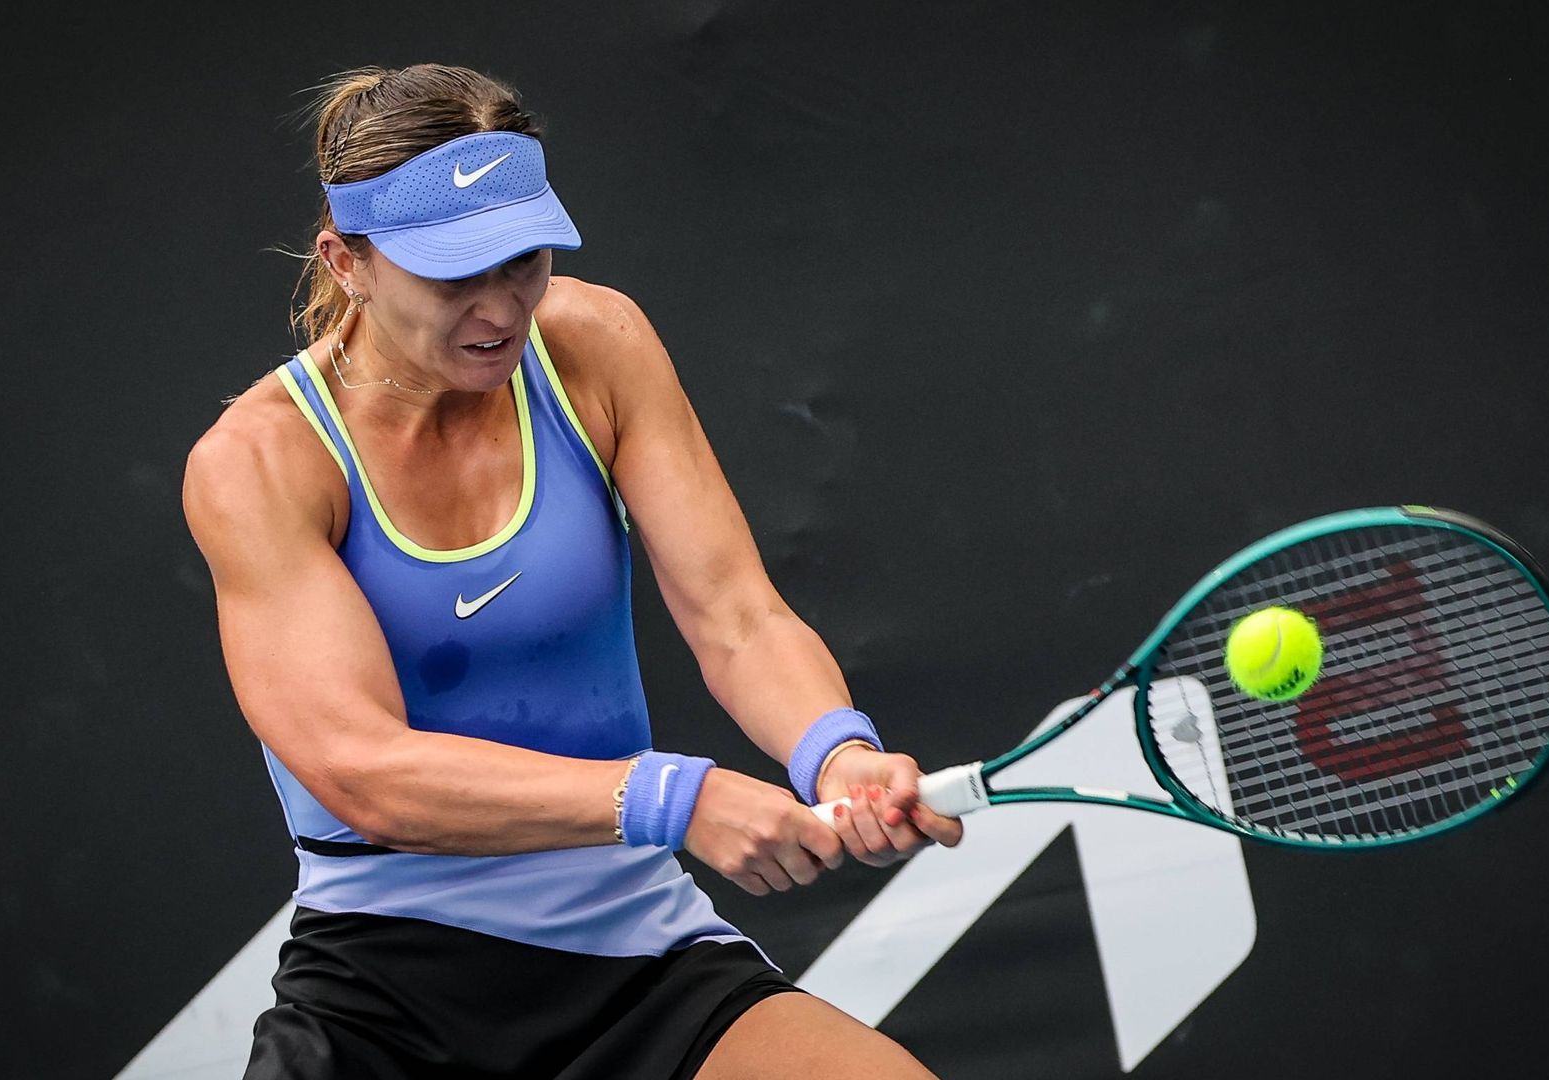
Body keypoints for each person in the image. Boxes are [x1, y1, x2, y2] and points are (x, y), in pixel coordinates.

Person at [181, 62, 963, 1079]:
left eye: (524, 260)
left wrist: (835, 753)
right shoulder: (258, 464)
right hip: (387, 996)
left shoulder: (595, 345)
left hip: (635, 952)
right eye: (454, 273)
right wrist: (673, 800)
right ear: (347, 263)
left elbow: (735, 615)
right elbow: (364, 772)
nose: (501, 308)